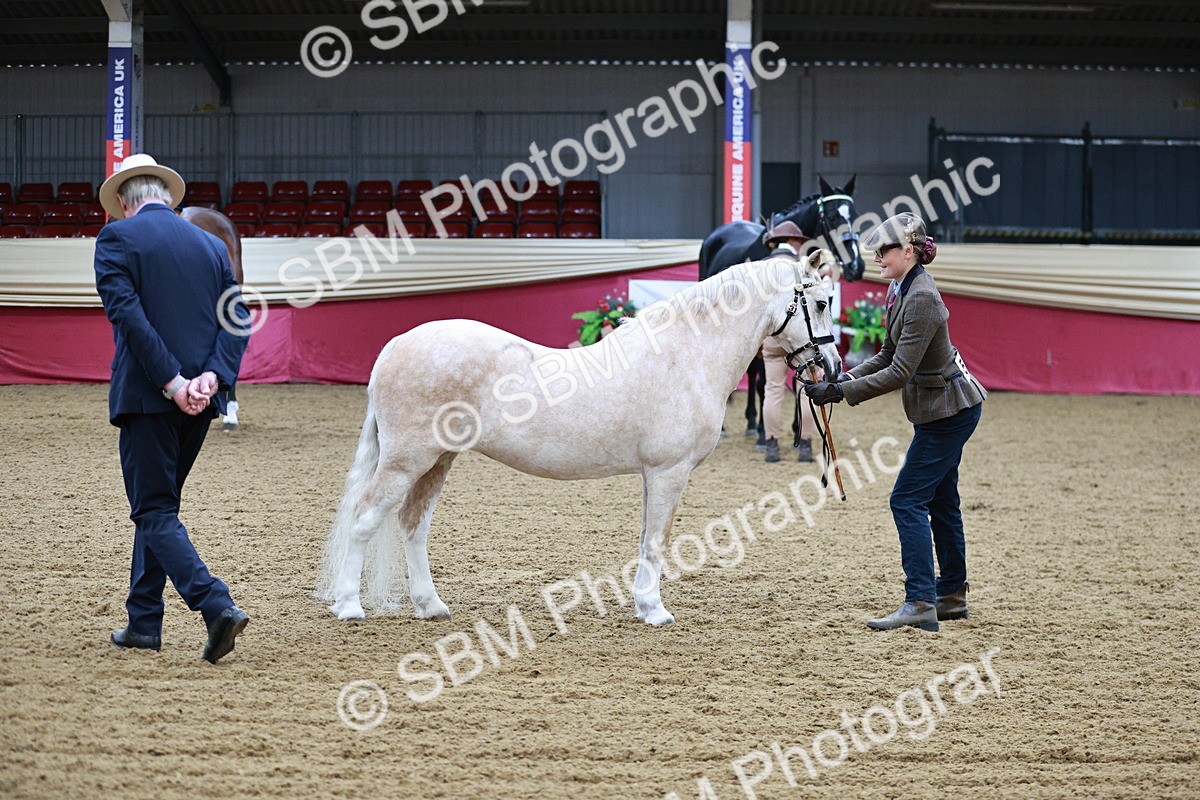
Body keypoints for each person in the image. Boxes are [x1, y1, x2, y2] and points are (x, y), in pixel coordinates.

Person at [95, 154, 251, 663]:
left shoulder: (115, 239)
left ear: (123, 201)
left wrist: (171, 381)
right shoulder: (210, 244)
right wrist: (211, 376)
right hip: (200, 402)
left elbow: (129, 318)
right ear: (166, 194)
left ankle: (214, 603)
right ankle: (143, 621)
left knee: (154, 509)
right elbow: (237, 316)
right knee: (162, 509)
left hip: (149, 397)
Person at [802, 212, 986, 632]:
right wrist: (842, 378)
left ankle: (921, 601)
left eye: (884, 250)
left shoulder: (921, 297)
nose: (877, 256)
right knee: (940, 501)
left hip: (949, 412)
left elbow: (901, 370)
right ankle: (952, 595)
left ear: (908, 251)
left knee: (906, 500)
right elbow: (886, 354)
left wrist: (840, 394)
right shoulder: (899, 288)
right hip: (939, 409)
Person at [760, 220, 837, 463]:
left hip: (773, 339)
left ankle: (771, 445)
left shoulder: (761, 269)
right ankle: (805, 445)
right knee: (806, 389)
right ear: (793, 243)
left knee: (772, 390)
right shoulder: (800, 267)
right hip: (801, 337)